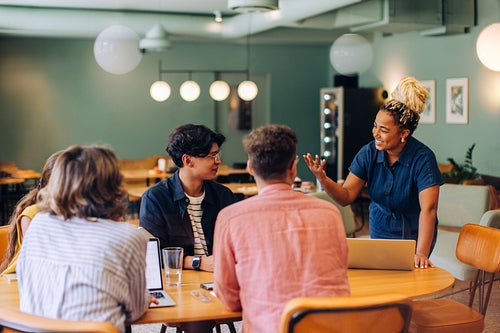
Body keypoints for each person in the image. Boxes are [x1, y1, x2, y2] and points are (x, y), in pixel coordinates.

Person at [214, 124, 350, 333]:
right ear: (293, 169)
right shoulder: (330, 212)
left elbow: (229, 299)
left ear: (250, 168)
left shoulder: (231, 218)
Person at [304, 76, 444, 269]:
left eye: (384, 130)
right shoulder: (368, 152)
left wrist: (421, 252)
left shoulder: (423, 158)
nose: (375, 134)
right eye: (375, 126)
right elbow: (346, 196)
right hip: (380, 226)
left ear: (404, 133)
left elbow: (429, 210)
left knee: (407, 287)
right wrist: (323, 178)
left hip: (413, 234)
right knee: (380, 281)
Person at [17, 145, 154, 333]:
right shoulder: (128, 235)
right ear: (113, 185)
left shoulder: (39, 222)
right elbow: (134, 311)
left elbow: (26, 285)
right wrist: (145, 298)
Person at [140, 124, 237, 272]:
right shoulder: (155, 198)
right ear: (187, 160)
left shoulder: (223, 195)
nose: (218, 161)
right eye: (212, 156)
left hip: (220, 277)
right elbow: (154, 254)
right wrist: (199, 262)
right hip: (179, 279)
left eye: (218, 155)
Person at [0, 150, 62, 276]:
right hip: (19, 277)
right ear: (48, 185)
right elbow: (36, 261)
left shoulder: (77, 214)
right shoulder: (32, 214)